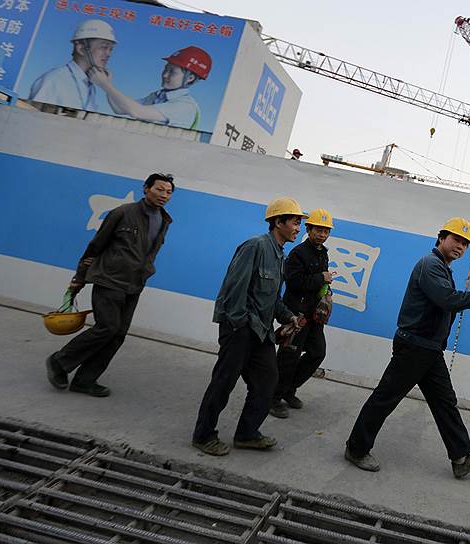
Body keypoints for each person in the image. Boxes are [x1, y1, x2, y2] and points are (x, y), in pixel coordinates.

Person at [345, 217, 470, 478]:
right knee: (385, 398)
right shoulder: (430, 265)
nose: (460, 247)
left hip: (429, 349)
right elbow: (447, 300)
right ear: (441, 238)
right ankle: (356, 449)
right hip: (414, 346)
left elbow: (446, 303)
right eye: (456, 240)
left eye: (465, 244)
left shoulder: (442, 267)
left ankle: (461, 458)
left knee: (445, 402)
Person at [191, 197, 306, 456]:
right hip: (240, 328)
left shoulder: (279, 256)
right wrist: (238, 324)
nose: (298, 229)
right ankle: (203, 435)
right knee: (224, 382)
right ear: (278, 222)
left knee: (267, 381)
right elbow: (234, 288)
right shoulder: (255, 246)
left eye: (299, 223)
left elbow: (272, 298)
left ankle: (247, 434)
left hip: (261, 331)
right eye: (295, 222)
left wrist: (288, 317)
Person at [44, 173, 174, 397]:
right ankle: (59, 361)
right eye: (159, 189)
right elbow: (96, 246)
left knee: (118, 334)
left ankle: (85, 380)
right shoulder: (123, 213)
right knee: (107, 327)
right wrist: (79, 278)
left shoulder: (164, 221)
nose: (164, 195)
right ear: (146, 188)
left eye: (169, 192)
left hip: (135, 283)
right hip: (109, 278)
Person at [269, 208, 335, 419]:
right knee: (288, 358)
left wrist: (326, 289)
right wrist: (321, 278)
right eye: (318, 230)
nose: (322, 235)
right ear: (308, 229)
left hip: (314, 316)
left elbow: (318, 281)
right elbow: (295, 283)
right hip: (297, 315)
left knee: (317, 353)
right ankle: (272, 398)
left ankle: (289, 389)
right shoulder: (298, 253)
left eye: (326, 231)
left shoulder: (323, 253)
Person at [88, 46, 210, 130]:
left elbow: (137, 112)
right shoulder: (157, 96)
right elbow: (119, 109)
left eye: (172, 72)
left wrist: (104, 84)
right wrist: (107, 83)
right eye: (165, 69)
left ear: (190, 78)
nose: (165, 75)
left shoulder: (185, 106)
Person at [29, 19, 117, 111]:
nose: (108, 54)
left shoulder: (90, 87)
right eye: (104, 47)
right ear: (81, 48)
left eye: (111, 49)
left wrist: (107, 84)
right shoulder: (53, 80)